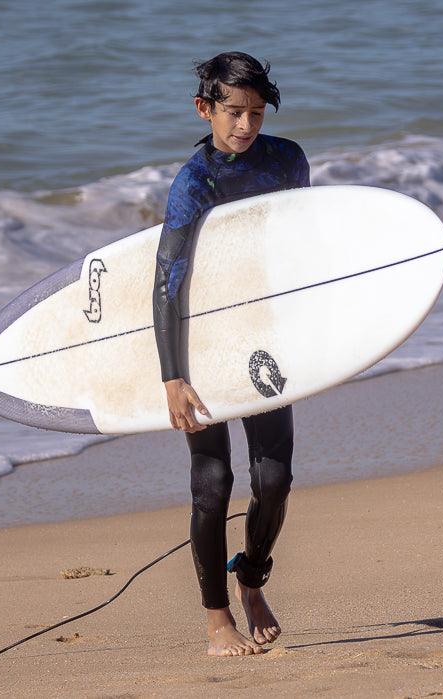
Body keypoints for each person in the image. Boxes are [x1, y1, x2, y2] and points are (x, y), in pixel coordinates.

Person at [152, 52, 310, 657]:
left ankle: (251, 578)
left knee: (275, 478)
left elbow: (301, 248)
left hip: (263, 334)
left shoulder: (287, 160)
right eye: (233, 112)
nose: (245, 125)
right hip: (205, 337)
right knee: (212, 481)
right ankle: (216, 619)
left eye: (255, 112)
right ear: (205, 109)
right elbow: (166, 283)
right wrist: (173, 376)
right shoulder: (194, 183)